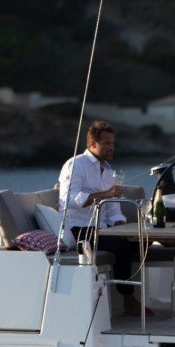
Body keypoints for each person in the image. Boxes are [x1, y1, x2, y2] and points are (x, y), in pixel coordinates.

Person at [58, 120, 150, 316]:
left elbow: (113, 208)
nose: (111, 147)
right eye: (107, 143)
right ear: (92, 144)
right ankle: (127, 299)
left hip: (101, 228)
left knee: (141, 243)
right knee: (122, 248)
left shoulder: (107, 169)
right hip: (78, 229)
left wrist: (120, 227)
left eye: (113, 143)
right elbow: (67, 200)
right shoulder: (75, 165)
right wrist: (104, 194)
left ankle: (132, 294)